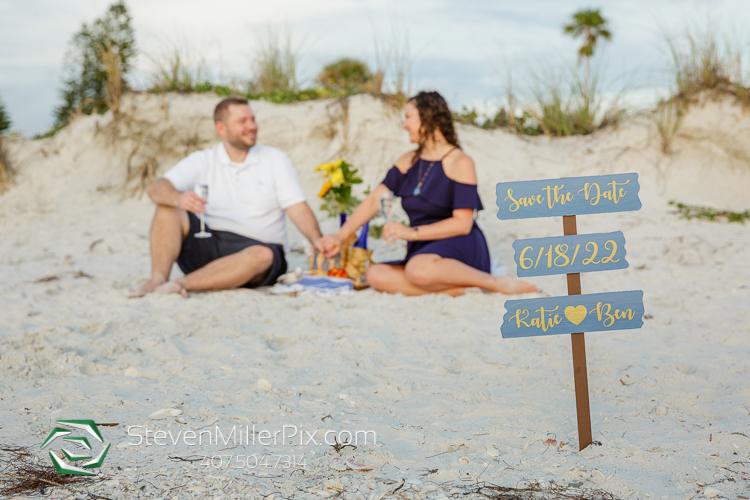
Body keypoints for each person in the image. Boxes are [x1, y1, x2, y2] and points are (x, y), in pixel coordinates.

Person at [320, 91, 538, 296]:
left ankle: (494, 282)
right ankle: (455, 291)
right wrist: (340, 236)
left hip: (460, 245)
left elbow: (462, 224)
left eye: (408, 117)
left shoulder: (460, 162)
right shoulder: (407, 161)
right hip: (423, 248)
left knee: (416, 270)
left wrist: (411, 233)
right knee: (375, 275)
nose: (404, 125)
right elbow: (375, 199)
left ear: (427, 119)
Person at [131, 97, 329, 297]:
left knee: (262, 255)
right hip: (210, 244)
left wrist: (317, 240)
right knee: (167, 206)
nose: (252, 126)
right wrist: (179, 199)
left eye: (253, 119)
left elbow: (297, 207)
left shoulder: (274, 159)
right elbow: (156, 188)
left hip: (258, 253)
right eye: (242, 122)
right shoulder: (203, 159)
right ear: (221, 128)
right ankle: (158, 278)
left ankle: (182, 284)